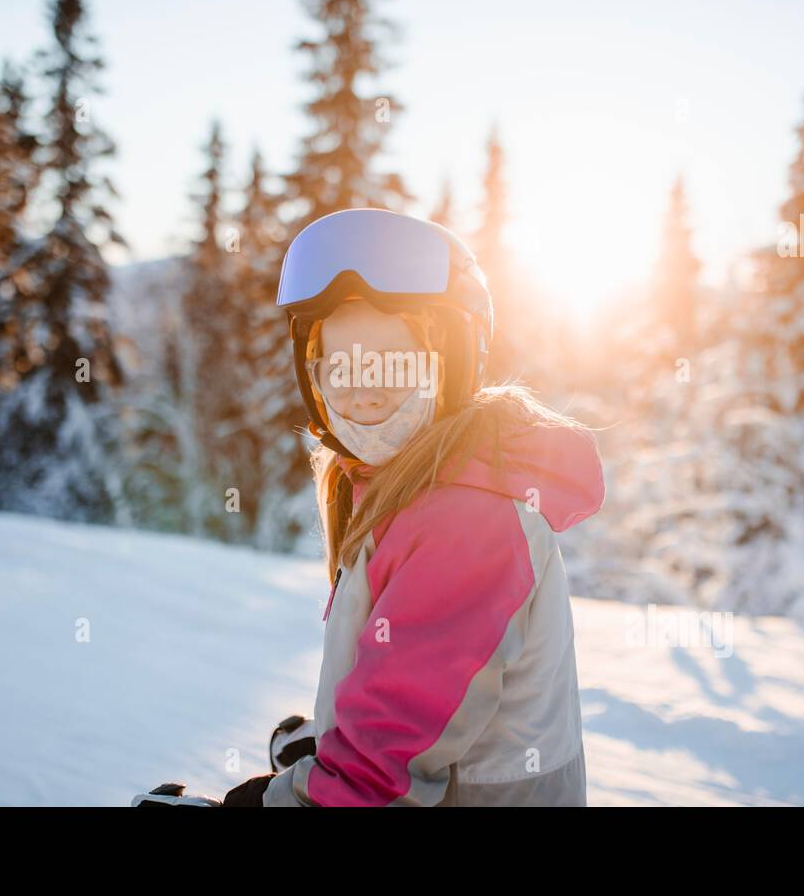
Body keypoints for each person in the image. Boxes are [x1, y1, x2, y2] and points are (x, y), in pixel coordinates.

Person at [219, 207, 605, 806]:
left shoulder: (467, 519)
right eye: (342, 364)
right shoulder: (402, 487)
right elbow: (414, 694)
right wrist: (335, 741)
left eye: (393, 363)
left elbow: (376, 783)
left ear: (447, 365)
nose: (363, 389)